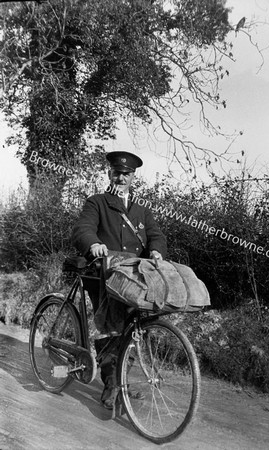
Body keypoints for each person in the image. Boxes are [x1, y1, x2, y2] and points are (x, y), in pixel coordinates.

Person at [71, 151, 167, 409]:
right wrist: (94, 244)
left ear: (134, 177)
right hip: (104, 274)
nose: (121, 177)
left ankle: (120, 379)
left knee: (135, 329)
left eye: (127, 174)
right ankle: (112, 387)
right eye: (117, 173)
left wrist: (156, 250)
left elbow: (156, 236)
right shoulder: (97, 202)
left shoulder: (142, 211)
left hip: (134, 277)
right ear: (109, 174)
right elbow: (83, 229)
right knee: (110, 327)